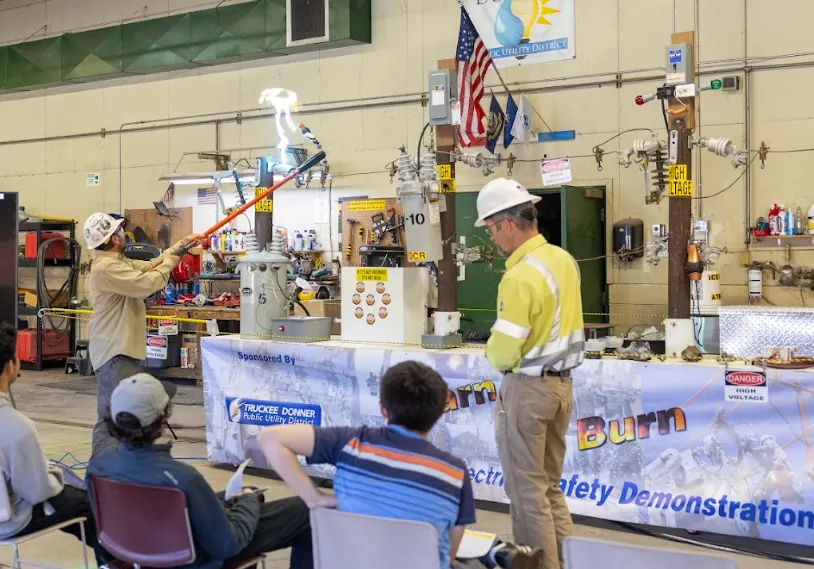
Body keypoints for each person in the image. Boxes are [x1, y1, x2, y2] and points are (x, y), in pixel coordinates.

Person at [257, 360, 543, 569]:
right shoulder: (454, 474)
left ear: (383, 409)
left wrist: (314, 498)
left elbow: (270, 438)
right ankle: (497, 553)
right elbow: (448, 553)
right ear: (441, 410)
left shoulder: (350, 443)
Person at [86, 372, 314, 569]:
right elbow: (227, 544)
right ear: (162, 417)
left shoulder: (98, 466)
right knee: (306, 511)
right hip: (195, 559)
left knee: (245, 494)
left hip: (140, 549)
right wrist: (248, 502)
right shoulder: (182, 478)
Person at [475, 178, 585, 569]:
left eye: (491, 228)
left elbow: (505, 351)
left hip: (528, 390)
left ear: (507, 223)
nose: (491, 238)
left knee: (527, 493)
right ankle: (568, 563)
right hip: (561, 388)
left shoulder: (519, 276)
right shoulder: (563, 260)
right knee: (549, 488)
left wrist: (490, 346)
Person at [83, 212, 199, 458]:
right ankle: (102, 469)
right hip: (114, 349)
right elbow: (146, 283)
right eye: (119, 231)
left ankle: (117, 467)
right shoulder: (106, 267)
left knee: (122, 413)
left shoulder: (116, 261)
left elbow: (148, 266)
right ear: (114, 239)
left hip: (121, 347)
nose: (123, 234)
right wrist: (171, 262)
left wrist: (179, 247)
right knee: (113, 415)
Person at [0, 322, 110, 565]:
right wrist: (55, 477)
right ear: (10, 366)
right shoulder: (16, 427)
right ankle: (113, 562)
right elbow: (37, 491)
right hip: (9, 522)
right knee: (92, 505)